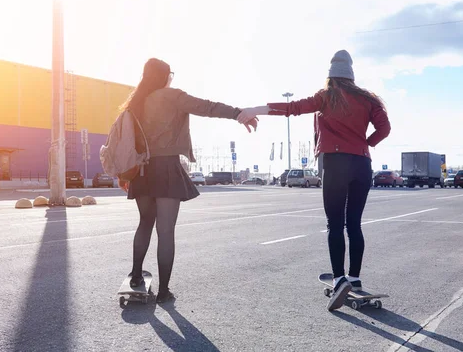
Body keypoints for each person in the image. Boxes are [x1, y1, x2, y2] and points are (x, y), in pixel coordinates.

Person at [236, 50, 391, 311]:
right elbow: (384, 129)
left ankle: (340, 278)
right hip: (362, 164)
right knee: (354, 224)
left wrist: (255, 108)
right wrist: (366, 144)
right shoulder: (368, 99)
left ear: (330, 75)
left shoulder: (326, 97)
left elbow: (291, 108)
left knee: (334, 223)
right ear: (351, 75)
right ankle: (354, 278)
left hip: (336, 162)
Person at [119, 58, 258, 303]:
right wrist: (238, 113)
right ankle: (163, 292)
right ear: (163, 76)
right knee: (165, 231)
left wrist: (123, 174)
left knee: (144, 224)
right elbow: (208, 107)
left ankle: (136, 278)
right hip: (167, 169)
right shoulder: (172, 96)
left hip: (141, 171)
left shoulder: (135, 102)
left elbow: (125, 141)